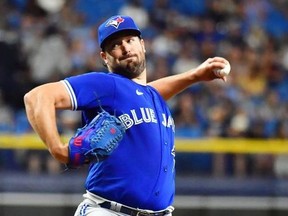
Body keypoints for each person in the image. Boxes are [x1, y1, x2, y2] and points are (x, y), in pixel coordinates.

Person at [24, 15, 230, 216]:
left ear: (142, 44)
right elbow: (36, 97)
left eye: (130, 40)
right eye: (115, 44)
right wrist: (59, 150)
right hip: (108, 210)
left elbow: (149, 91)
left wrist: (195, 75)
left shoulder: (150, 96)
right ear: (105, 57)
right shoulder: (107, 84)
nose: (125, 47)